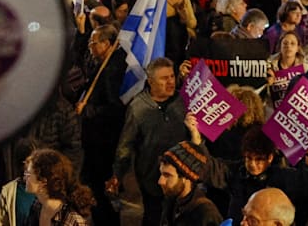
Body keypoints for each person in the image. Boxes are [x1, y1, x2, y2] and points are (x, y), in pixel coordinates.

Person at [109, 58, 188, 226]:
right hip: (152, 177)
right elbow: (126, 144)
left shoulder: (184, 101)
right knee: (154, 217)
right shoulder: (138, 107)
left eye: (172, 76)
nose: (170, 82)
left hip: (181, 176)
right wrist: (118, 174)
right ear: (150, 81)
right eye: (164, 78)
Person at [189, 122, 308, 224]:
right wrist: (196, 138)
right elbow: (207, 167)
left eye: (259, 159)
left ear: (270, 158)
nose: (252, 164)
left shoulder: (282, 177)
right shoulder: (235, 171)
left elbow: (307, 185)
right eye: (248, 158)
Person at [77, 24, 128, 226]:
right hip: (97, 138)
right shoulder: (102, 63)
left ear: (107, 44)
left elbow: (115, 108)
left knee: (100, 186)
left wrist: (88, 109)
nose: (90, 46)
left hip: (104, 141)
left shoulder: (112, 69)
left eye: (94, 42)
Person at [23, 149, 95, 226]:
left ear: (43, 181)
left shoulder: (73, 221)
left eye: (28, 174)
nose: (24, 178)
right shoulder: (37, 205)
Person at [158, 142, 223, 226]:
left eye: (167, 175)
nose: (160, 181)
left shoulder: (206, 213)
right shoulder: (171, 200)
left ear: (186, 177)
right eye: (161, 174)